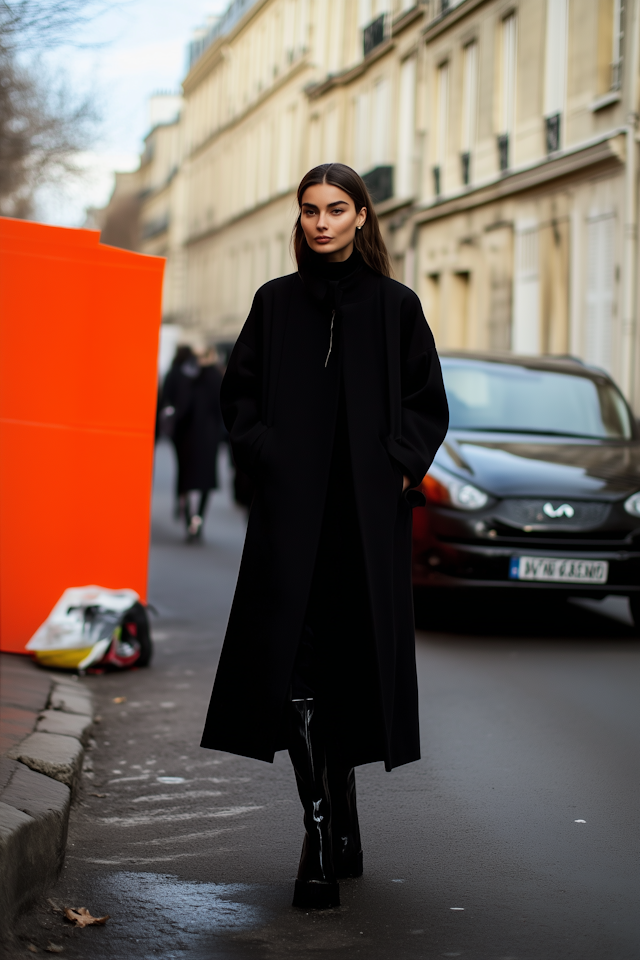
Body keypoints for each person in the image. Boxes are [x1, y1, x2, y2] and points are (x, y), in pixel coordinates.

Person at [201, 163, 449, 908]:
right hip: (290, 523)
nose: (321, 222)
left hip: (364, 528)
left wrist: (397, 469)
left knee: (347, 666)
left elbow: (426, 403)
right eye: (310, 210)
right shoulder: (274, 304)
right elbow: (236, 395)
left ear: (362, 218)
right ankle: (317, 833)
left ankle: (344, 812)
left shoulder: (395, 306)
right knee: (297, 669)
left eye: (336, 210)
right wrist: (267, 453)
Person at [160, 344, 224, 542]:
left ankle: (188, 515)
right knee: (205, 480)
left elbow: (178, 404)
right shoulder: (216, 377)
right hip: (209, 437)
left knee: (186, 476)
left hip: (187, 436)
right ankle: (198, 519)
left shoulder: (185, 376)